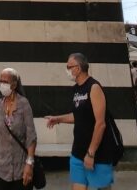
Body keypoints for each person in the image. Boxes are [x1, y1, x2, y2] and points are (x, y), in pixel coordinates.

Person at [46, 53, 114, 190]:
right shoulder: (76, 89)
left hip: (97, 155)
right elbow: (78, 116)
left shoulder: (93, 87)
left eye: (68, 66)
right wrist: (58, 119)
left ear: (77, 68)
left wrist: (91, 153)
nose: (67, 70)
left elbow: (100, 124)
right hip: (77, 152)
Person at [0, 68, 36, 190]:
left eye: (5, 81)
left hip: (21, 170)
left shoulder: (24, 104)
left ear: (14, 84)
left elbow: (31, 136)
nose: (2, 84)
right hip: (0, 170)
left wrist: (29, 164)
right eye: (0, 81)